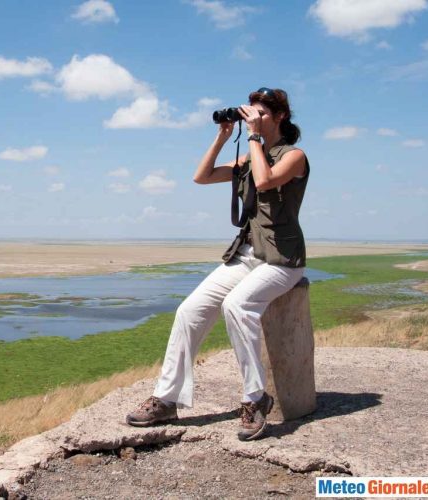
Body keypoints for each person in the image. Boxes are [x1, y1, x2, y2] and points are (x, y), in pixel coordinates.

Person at [125, 87, 309, 441]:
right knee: (189, 310)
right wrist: (223, 136)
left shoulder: (294, 156)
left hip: (283, 260)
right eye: (250, 113)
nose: (254, 119)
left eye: (262, 114)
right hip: (247, 255)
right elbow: (202, 176)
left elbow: (266, 179)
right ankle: (167, 399)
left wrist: (254, 136)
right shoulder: (248, 155)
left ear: (281, 116)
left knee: (237, 306)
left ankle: (255, 399)